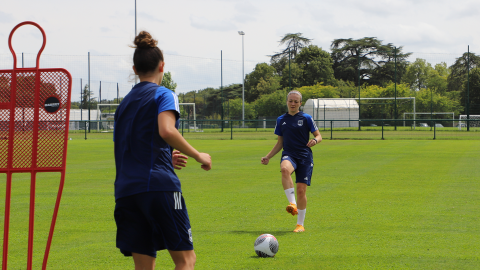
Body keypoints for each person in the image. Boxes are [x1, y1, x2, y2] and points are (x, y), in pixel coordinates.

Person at [113, 31, 211, 270]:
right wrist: (198, 155)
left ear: (135, 70)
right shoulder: (164, 94)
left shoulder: (123, 105)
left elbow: (133, 144)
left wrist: (166, 155)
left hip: (126, 192)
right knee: (186, 260)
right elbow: (166, 131)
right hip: (158, 187)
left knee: (144, 266)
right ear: (162, 66)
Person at [261, 90, 321, 233]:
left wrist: (314, 140)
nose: (293, 103)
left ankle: (300, 224)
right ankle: (292, 203)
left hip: (305, 156)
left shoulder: (306, 118)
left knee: (301, 191)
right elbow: (280, 143)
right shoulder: (281, 120)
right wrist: (268, 156)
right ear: (287, 102)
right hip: (289, 154)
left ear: (300, 103)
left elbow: (319, 136)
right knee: (284, 169)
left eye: (296, 101)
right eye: (290, 101)